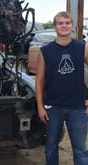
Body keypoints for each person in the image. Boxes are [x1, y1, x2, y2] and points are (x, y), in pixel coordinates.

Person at [36, 11, 88, 165]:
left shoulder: (82, 47)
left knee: (80, 150)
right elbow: (39, 80)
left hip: (78, 108)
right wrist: (40, 106)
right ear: (55, 27)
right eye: (60, 23)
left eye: (67, 23)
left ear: (72, 26)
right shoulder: (45, 51)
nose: (64, 26)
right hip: (53, 107)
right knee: (51, 147)